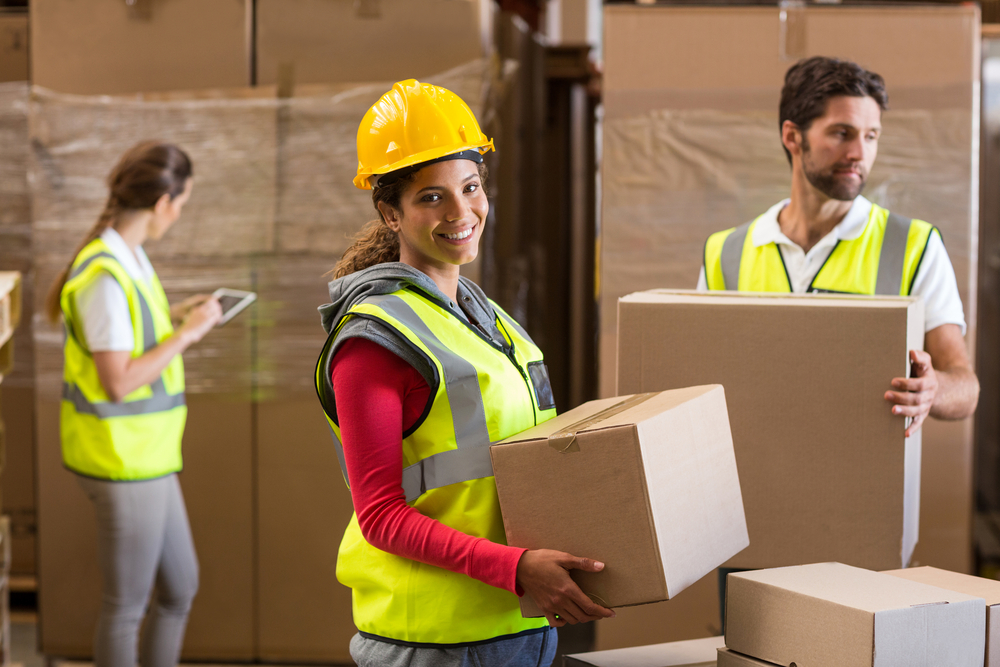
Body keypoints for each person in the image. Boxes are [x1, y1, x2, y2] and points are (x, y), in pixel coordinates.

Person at [314, 80, 615, 667]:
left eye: (471, 188)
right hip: (434, 641)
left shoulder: (484, 316)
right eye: (431, 198)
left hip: (515, 620)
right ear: (389, 212)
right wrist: (518, 567)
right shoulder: (374, 340)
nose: (461, 212)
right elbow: (380, 517)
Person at [698, 56, 980, 629]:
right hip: (750, 527)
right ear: (792, 136)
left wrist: (932, 391)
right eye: (842, 133)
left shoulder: (914, 246)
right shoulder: (726, 253)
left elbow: (965, 386)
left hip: (862, 529)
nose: (860, 152)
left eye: (871, 135)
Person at [45, 141, 222, 667]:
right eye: (182, 204)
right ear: (165, 202)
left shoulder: (130, 259)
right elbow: (118, 382)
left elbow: (130, 335)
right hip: (122, 461)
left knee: (179, 589)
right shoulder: (103, 274)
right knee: (126, 610)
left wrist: (175, 316)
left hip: (149, 456)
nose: (179, 215)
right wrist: (186, 336)